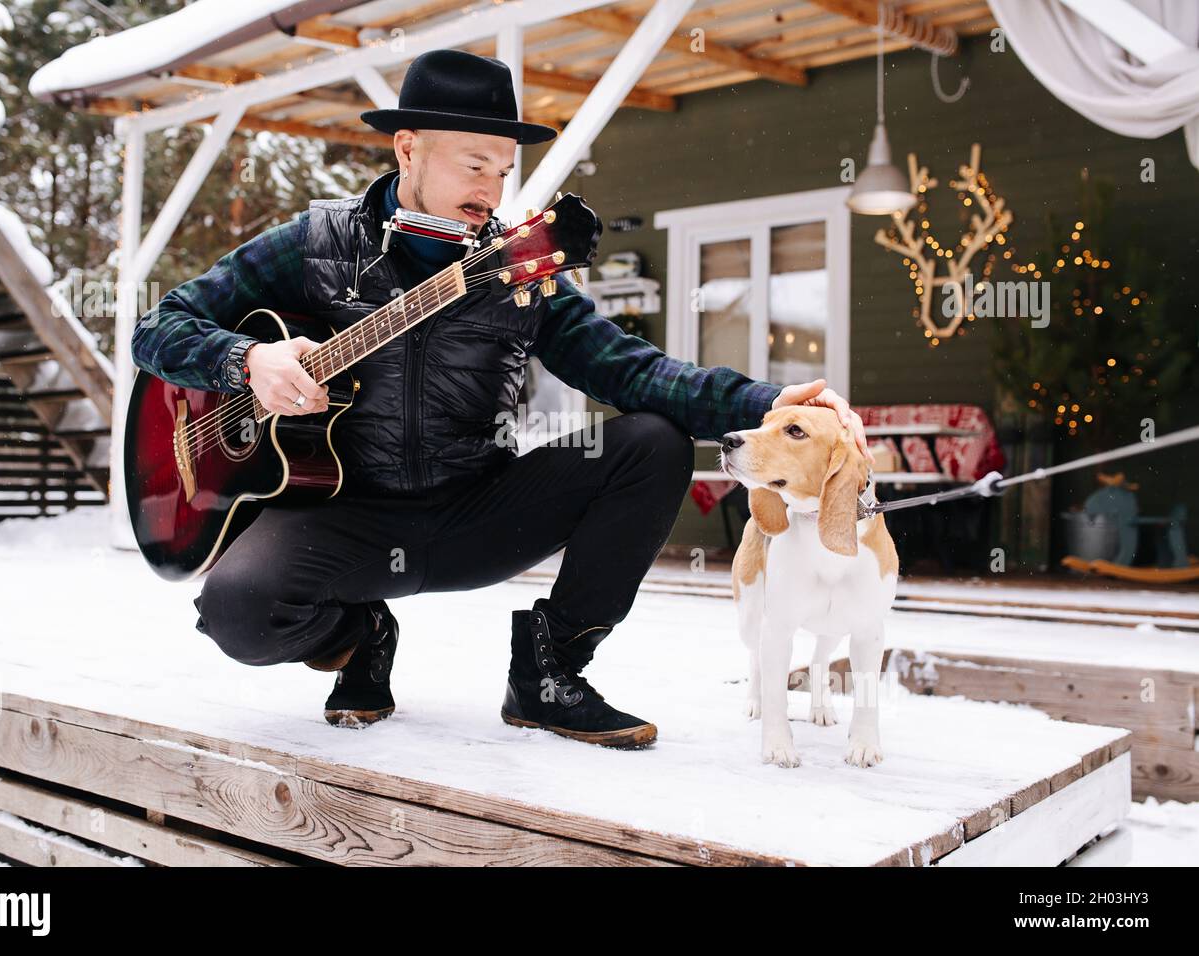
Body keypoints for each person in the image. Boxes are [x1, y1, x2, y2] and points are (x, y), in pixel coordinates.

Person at [131, 48, 872, 749]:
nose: (490, 190)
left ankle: (548, 673)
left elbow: (635, 372)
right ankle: (356, 634)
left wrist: (772, 403)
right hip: (341, 520)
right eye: (473, 164)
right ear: (409, 151)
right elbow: (157, 328)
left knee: (651, 440)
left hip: (474, 511)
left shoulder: (519, 270)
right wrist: (245, 360)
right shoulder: (316, 243)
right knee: (235, 611)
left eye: (504, 170)